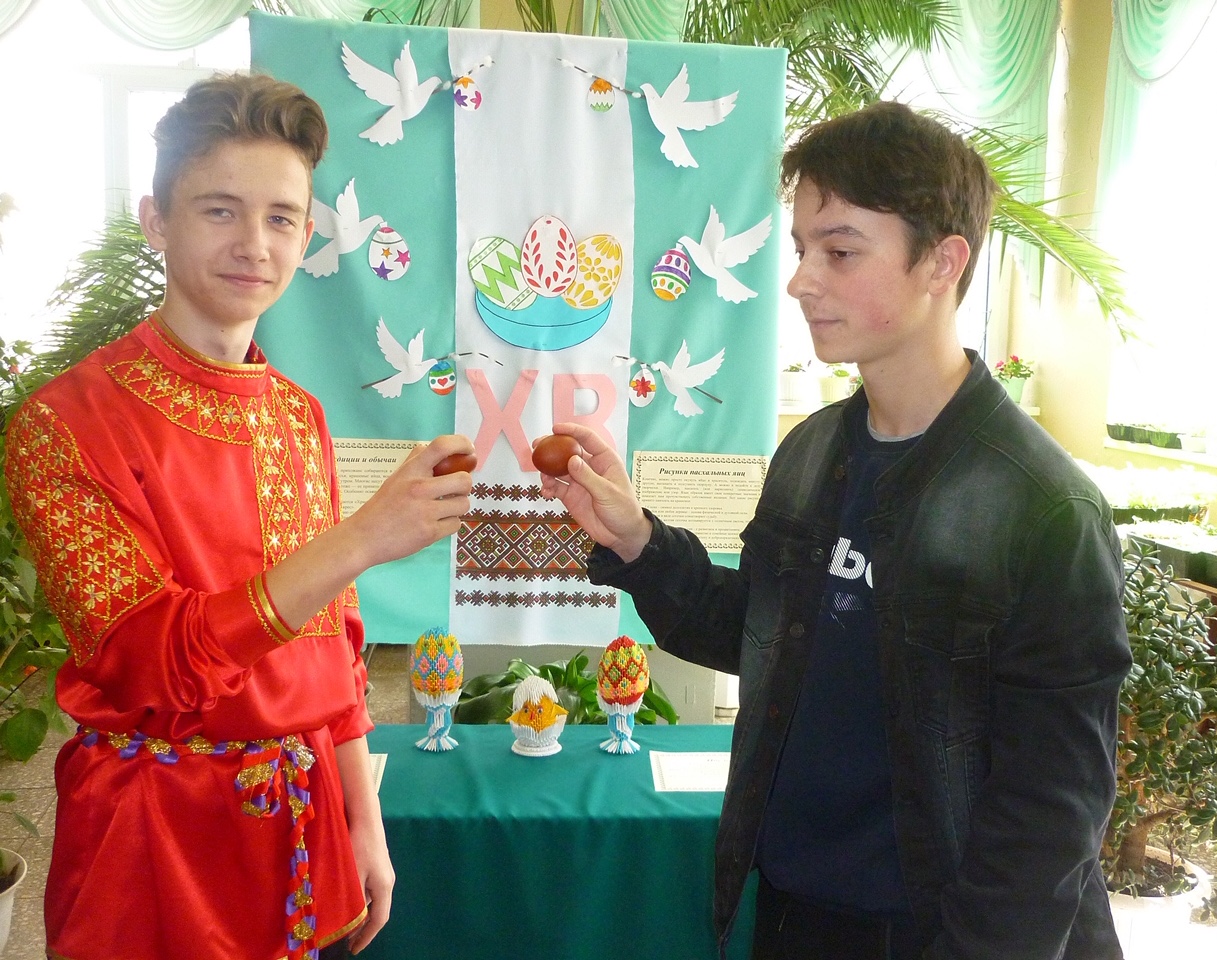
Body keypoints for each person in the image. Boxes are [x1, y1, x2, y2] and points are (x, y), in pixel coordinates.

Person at [540, 101, 1132, 960]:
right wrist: (635, 542)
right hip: (797, 913)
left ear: (943, 262)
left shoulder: (1043, 509)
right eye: (801, 250)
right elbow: (760, 634)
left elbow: (1053, 808)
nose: (801, 281)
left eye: (841, 251)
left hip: (941, 933)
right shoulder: (812, 454)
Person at [4, 74, 475, 960]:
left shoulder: (297, 415)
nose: (255, 245)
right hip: (153, 842)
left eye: (282, 218)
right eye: (220, 210)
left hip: (304, 827)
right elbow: (150, 663)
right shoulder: (64, 425)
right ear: (156, 220)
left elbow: (336, 647)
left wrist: (364, 822)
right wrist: (361, 540)